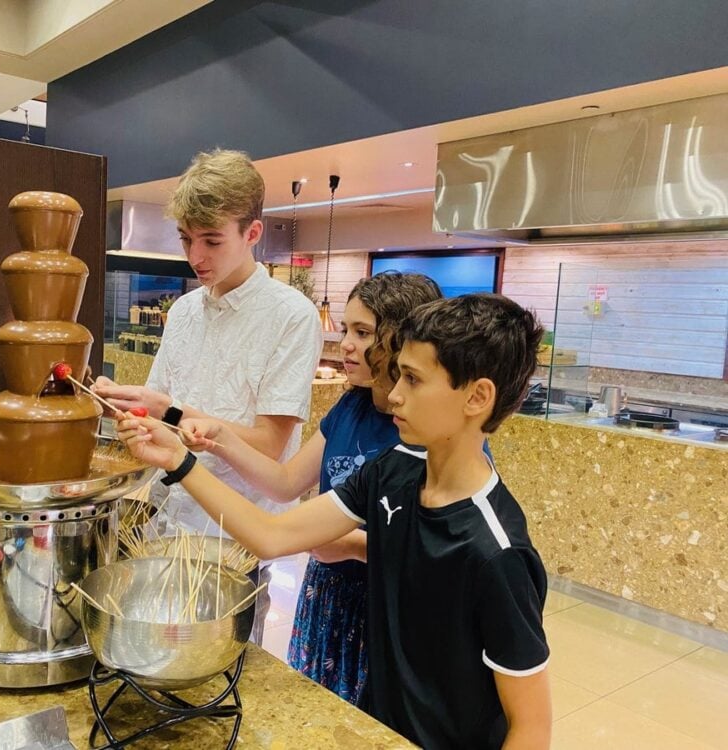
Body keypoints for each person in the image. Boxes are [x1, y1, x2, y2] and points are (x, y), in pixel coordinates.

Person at [118, 293, 552, 750]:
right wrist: (179, 460)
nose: (396, 392)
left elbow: (531, 726)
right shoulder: (393, 470)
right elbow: (273, 534)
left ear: (477, 396)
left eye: (414, 379)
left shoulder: (498, 553)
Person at [177, 272, 442, 705]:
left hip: (386, 604)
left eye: (363, 332)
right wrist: (219, 440)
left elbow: (436, 549)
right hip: (328, 591)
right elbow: (285, 483)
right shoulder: (350, 405)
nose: (346, 345)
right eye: (345, 329)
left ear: (403, 340)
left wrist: (354, 545)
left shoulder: (426, 429)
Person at [93, 148, 322, 644]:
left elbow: (268, 446)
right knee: (151, 656)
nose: (195, 256)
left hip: (232, 537)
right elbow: (160, 412)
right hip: (164, 519)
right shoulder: (184, 311)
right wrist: (118, 405)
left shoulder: (291, 316)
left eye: (212, 241)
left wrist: (167, 411)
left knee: (223, 671)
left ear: (252, 234)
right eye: (186, 239)